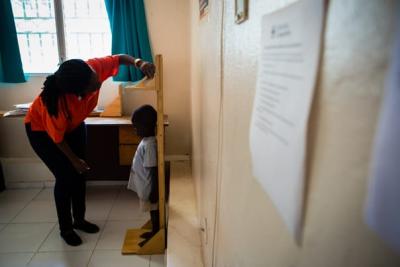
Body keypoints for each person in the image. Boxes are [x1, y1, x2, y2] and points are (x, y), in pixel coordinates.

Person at [24, 54, 155, 246]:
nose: (98, 82)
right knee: (66, 176)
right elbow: (58, 140)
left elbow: (119, 58)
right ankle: (66, 228)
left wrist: (139, 63)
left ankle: (79, 219)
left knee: (80, 174)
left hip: (74, 125)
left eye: (95, 76)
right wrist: (75, 161)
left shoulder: (91, 69)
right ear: (78, 92)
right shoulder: (56, 104)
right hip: (42, 132)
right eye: (93, 84)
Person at [127, 104, 159, 247]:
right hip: (145, 186)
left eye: (136, 127)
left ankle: (156, 232)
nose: (135, 130)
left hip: (148, 188)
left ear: (146, 126)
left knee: (154, 210)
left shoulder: (150, 145)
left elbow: (153, 170)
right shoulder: (146, 141)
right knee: (152, 210)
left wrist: (154, 191)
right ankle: (154, 229)